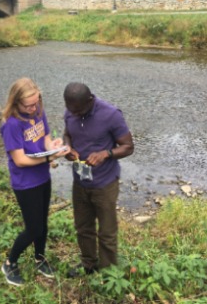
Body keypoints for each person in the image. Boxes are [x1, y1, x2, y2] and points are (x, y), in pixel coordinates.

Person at [0, 77, 69, 286]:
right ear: (16, 102)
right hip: (25, 183)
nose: (33, 108)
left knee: (43, 224)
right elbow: (20, 160)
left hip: (42, 177)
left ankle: (40, 258)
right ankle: (10, 262)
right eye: (28, 105)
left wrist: (53, 145)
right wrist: (50, 157)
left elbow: (45, 137)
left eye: (36, 103)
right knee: (33, 228)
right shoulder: (11, 125)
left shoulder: (38, 112)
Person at [62, 82, 134, 276]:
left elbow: (128, 146)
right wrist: (67, 148)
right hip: (80, 182)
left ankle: (109, 272)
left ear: (90, 100)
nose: (74, 114)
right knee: (83, 227)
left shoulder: (111, 114)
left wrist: (106, 154)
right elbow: (67, 134)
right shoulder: (71, 111)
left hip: (105, 183)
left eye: (78, 111)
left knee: (107, 232)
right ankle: (88, 264)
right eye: (71, 110)